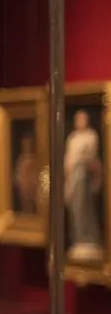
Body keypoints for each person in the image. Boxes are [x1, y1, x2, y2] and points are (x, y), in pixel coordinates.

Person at [65, 109, 103, 262]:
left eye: (82, 119)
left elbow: (90, 156)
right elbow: (68, 159)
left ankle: (90, 238)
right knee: (75, 208)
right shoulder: (72, 138)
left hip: (84, 175)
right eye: (77, 119)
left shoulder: (91, 135)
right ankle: (78, 238)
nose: (80, 122)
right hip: (73, 177)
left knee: (85, 207)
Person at [14, 130, 39, 214]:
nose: (26, 146)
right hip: (24, 189)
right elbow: (18, 176)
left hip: (34, 190)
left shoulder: (35, 159)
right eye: (25, 144)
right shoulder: (21, 160)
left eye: (28, 143)